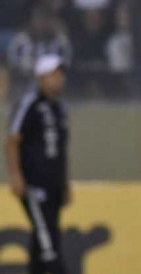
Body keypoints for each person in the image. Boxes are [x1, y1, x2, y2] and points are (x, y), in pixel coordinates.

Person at [5, 55, 70, 274]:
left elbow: (60, 150)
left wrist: (65, 183)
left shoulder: (60, 108)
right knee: (49, 245)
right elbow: (13, 140)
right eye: (54, 74)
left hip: (54, 186)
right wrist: (16, 176)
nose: (59, 79)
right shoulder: (29, 104)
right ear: (41, 77)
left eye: (60, 74)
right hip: (34, 186)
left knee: (41, 242)